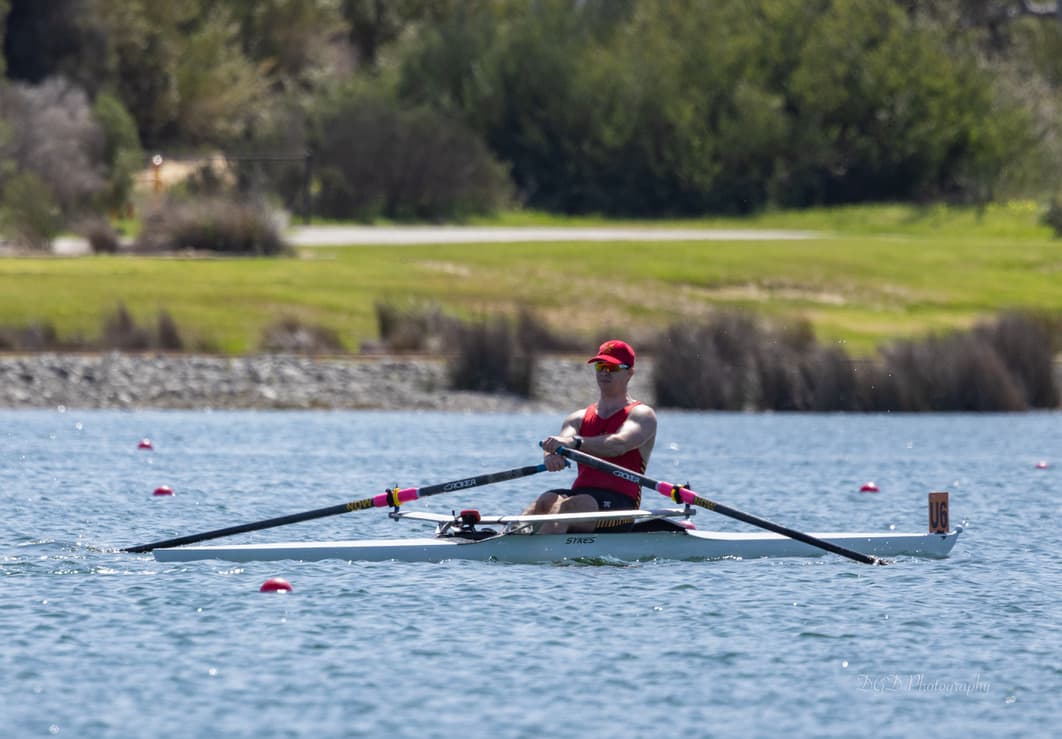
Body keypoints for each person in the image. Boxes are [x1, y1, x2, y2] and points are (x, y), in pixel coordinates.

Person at [524, 339, 657, 534]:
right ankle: (505, 543)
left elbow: (617, 445)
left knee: (569, 508)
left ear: (629, 373)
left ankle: (538, 555)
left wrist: (574, 443)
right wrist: (552, 455)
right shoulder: (578, 418)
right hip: (582, 497)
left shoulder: (642, 415)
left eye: (612, 367)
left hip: (621, 505)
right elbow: (560, 442)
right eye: (601, 366)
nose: (604, 372)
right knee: (545, 501)